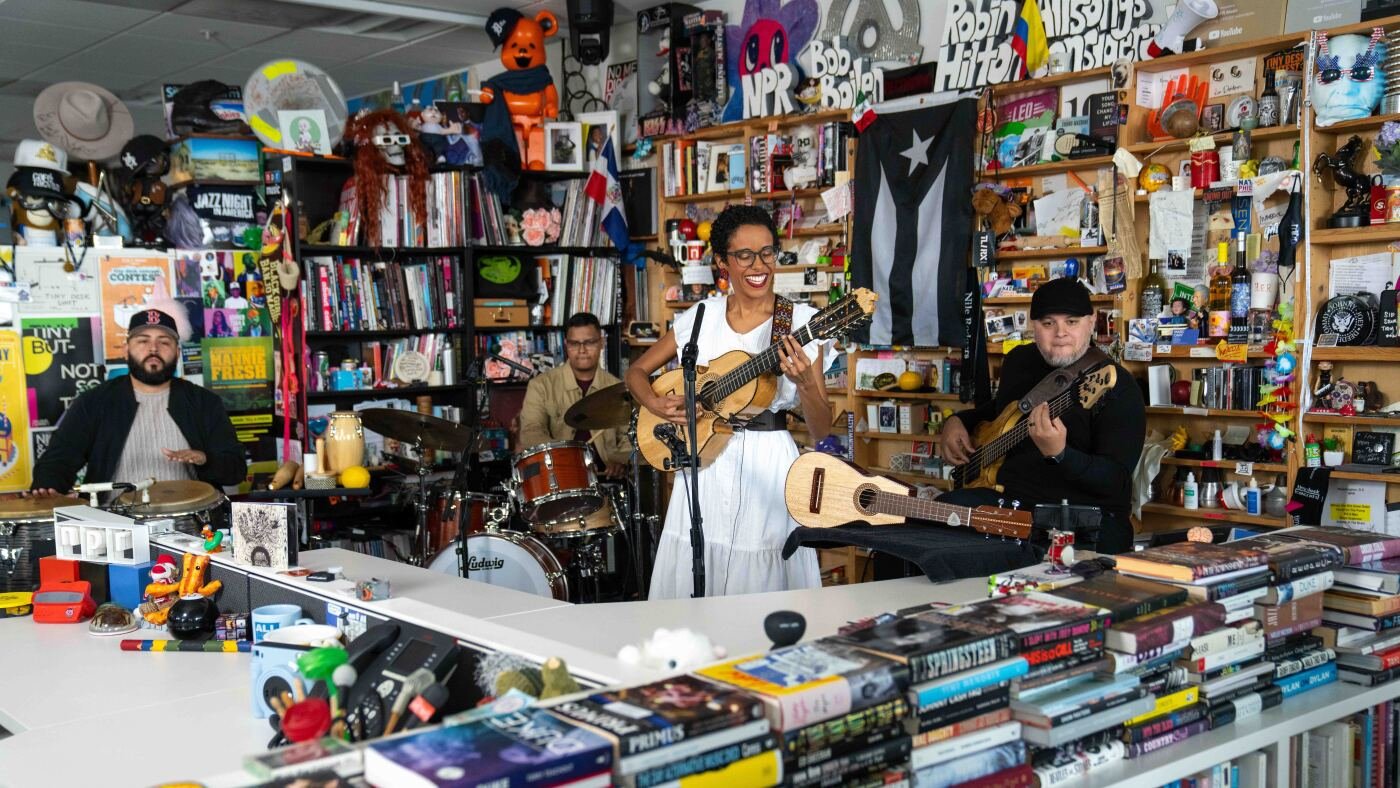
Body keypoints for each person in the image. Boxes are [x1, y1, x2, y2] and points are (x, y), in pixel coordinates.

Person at [626, 204, 833, 599]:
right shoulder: (701, 317)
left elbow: (822, 430)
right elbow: (635, 373)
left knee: (761, 579)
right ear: (722, 261)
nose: (759, 265)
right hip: (704, 462)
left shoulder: (802, 322)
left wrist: (806, 384)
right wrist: (653, 402)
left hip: (768, 468)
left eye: (768, 252)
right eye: (744, 255)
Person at [939, 278, 1145, 554]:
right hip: (1007, 504)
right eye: (1048, 323)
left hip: (1080, 520)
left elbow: (1116, 482)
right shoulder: (1019, 362)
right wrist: (958, 421)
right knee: (925, 521)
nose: (1060, 333)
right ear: (1033, 325)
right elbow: (1000, 411)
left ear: (1091, 321)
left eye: (1071, 322)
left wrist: (1060, 454)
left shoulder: (1116, 385)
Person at [31, 309, 246, 494]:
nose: (153, 349)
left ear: (178, 353)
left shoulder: (205, 403)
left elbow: (236, 470)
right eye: (143, 341)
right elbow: (57, 463)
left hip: (194, 524)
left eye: (164, 342)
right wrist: (47, 489)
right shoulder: (94, 402)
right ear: (126, 350)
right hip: (114, 523)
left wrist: (205, 459)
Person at [517, 312, 631, 477]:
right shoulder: (541, 385)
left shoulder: (618, 388)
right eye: (574, 343)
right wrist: (568, 456)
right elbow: (530, 432)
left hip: (606, 481)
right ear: (565, 344)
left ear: (601, 342)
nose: (582, 350)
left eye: (589, 342)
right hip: (558, 480)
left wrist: (621, 461)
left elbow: (629, 436)